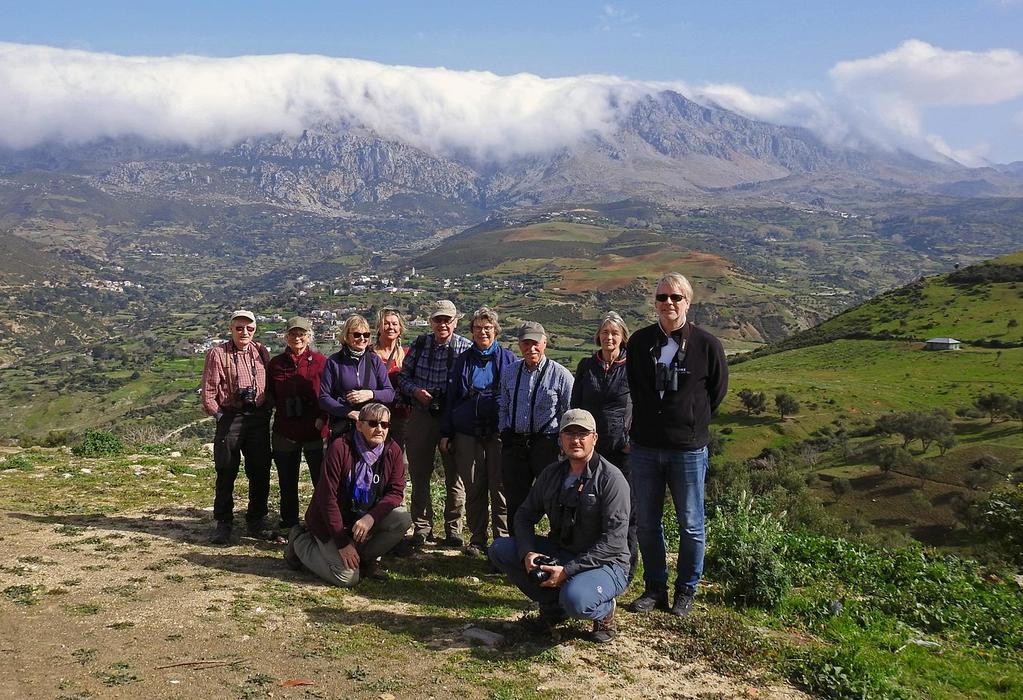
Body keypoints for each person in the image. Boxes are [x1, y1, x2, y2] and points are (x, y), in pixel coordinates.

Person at [625, 273, 728, 617]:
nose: (668, 303)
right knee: (648, 523)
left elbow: (716, 392)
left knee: (691, 523)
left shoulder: (707, 345)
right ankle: (655, 588)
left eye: (675, 297)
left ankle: (686, 590)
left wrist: (690, 421)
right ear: (654, 302)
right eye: (662, 297)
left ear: (688, 302)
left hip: (687, 449)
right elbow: (636, 388)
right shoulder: (640, 343)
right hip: (645, 448)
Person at [489, 409, 630, 644]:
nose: (576, 440)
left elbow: (613, 542)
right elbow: (524, 515)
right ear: (560, 440)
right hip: (563, 551)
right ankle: (553, 605)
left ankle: (604, 611)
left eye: (582, 434)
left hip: (607, 563)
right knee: (500, 550)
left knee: (575, 599)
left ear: (594, 438)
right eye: (569, 433)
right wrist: (527, 552)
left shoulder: (611, 479)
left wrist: (567, 571)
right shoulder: (551, 474)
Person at [285, 403, 411, 586]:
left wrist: (371, 517)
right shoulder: (340, 448)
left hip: (362, 520)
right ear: (359, 425)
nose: (379, 429)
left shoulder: (393, 451)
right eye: (373, 423)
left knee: (403, 519)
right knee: (347, 577)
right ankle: (299, 543)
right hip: (329, 524)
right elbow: (327, 499)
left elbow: (395, 492)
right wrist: (342, 543)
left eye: (385, 425)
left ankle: (363, 559)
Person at [440, 307, 517, 558]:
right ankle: (477, 539)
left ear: (495, 330)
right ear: (471, 332)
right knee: (474, 486)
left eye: (488, 328)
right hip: (466, 432)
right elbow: (451, 399)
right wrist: (446, 432)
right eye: (478, 328)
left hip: (497, 433)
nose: (483, 332)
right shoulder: (462, 361)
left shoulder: (508, 360)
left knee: (500, 486)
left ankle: (502, 541)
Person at [395, 300, 471, 549]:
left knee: (454, 476)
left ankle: (454, 530)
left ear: (455, 321)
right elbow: (403, 378)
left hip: (452, 418)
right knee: (419, 473)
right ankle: (422, 527)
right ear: (431, 321)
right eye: (438, 319)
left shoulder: (465, 348)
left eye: (447, 319)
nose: (443, 324)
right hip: (421, 415)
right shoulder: (420, 344)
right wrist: (417, 391)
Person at [571, 311, 638, 580]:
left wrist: (632, 440)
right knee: (588, 508)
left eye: (615, 333)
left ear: (623, 337)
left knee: (625, 511)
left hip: (622, 451)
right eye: (605, 332)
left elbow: (644, 405)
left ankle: (625, 568)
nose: (609, 337)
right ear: (598, 336)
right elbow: (575, 406)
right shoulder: (587, 366)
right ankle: (589, 563)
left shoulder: (632, 366)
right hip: (591, 452)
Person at [200, 309, 274, 544]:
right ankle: (224, 522)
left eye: (249, 328)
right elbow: (209, 393)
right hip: (230, 417)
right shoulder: (217, 354)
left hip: (258, 419)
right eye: (239, 328)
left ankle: (256, 520)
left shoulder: (261, 351)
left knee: (260, 471)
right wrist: (221, 417)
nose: (244, 332)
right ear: (231, 329)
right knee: (226, 471)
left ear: (255, 330)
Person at [498, 321, 573, 532]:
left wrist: (562, 444)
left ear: (544, 343)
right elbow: (502, 404)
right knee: (515, 501)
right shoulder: (510, 372)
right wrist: (504, 429)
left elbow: (570, 412)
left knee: (553, 498)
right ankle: (517, 550)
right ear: (520, 345)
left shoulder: (561, 375)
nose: (531, 348)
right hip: (515, 443)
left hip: (546, 445)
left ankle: (558, 546)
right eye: (526, 343)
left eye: (535, 343)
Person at [268, 317, 329, 531]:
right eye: (293, 334)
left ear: (309, 336)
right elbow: (270, 395)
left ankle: (321, 522)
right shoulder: (275, 364)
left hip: (315, 430)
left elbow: (329, 394)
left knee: (321, 482)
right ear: (286, 336)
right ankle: (289, 523)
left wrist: (322, 418)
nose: (297, 338)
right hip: (285, 430)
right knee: (287, 481)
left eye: (301, 334)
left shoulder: (321, 362)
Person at [320, 315, 395, 438]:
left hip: (372, 427)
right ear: (346, 336)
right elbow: (324, 397)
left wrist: (371, 394)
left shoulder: (374, 360)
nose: (362, 338)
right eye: (356, 335)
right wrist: (348, 412)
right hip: (344, 426)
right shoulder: (334, 362)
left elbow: (390, 393)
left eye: (366, 335)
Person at [372, 308, 410, 449]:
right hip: (375, 417)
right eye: (386, 323)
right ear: (379, 327)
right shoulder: (369, 354)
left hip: (402, 417)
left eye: (394, 324)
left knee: (398, 462)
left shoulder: (407, 354)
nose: (391, 327)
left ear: (400, 328)